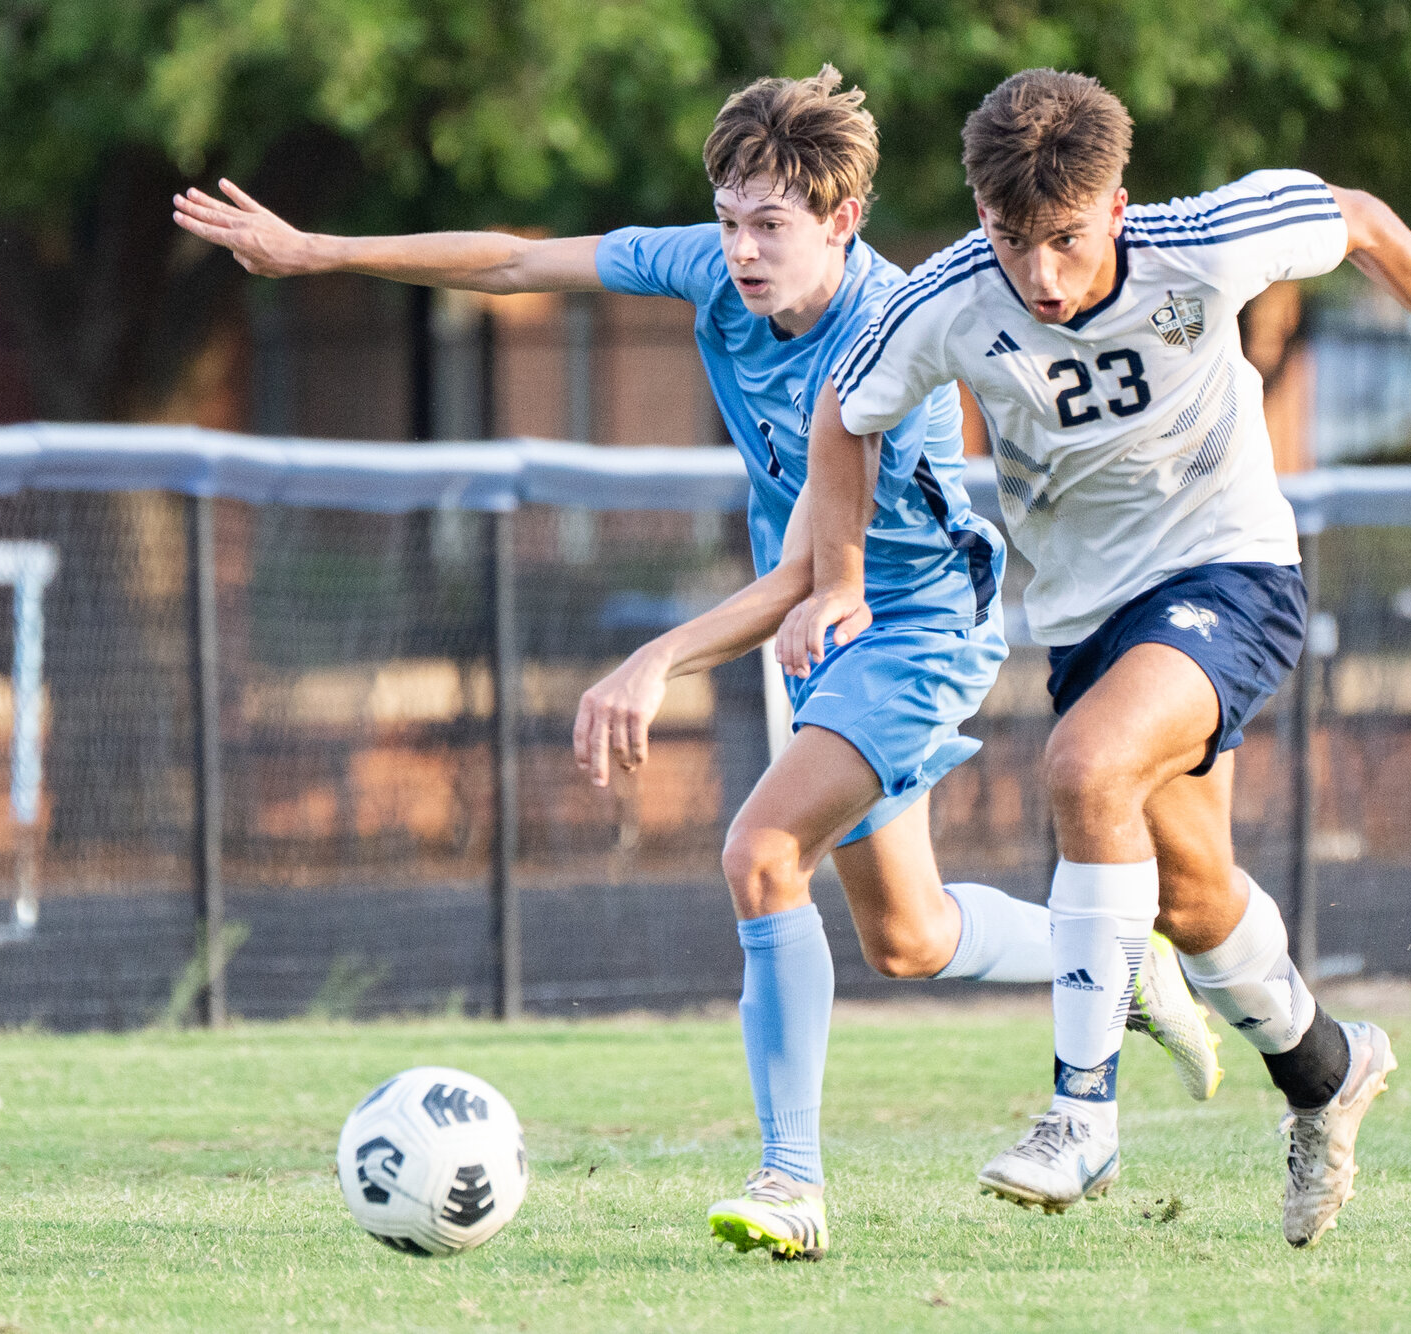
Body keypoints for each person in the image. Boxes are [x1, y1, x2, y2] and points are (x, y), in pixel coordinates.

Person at [173, 66, 1221, 1263]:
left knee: (760, 851)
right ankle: (1115, 959)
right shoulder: (708, 268)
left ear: (842, 220)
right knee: (910, 937)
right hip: (822, 629)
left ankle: (790, 1180)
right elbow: (515, 261)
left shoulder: (891, 346)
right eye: (729, 220)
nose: (741, 250)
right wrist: (317, 252)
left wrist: (655, 659)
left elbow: (811, 569)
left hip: (915, 624)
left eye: (770, 225)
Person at [781, 68, 1411, 1248]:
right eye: (1011, 241)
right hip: (1090, 620)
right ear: (979, 218)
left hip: (1229, 573)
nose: (1040, 275)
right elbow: (846, 408)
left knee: (1084, 769)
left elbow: (1363, 220)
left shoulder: (1206, 242)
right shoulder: (946, 297)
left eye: (1066, 239)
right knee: (1189, 897)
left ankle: (1079, 1114)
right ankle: (1326, 1070)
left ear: (1118, 205)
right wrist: (836, 576)